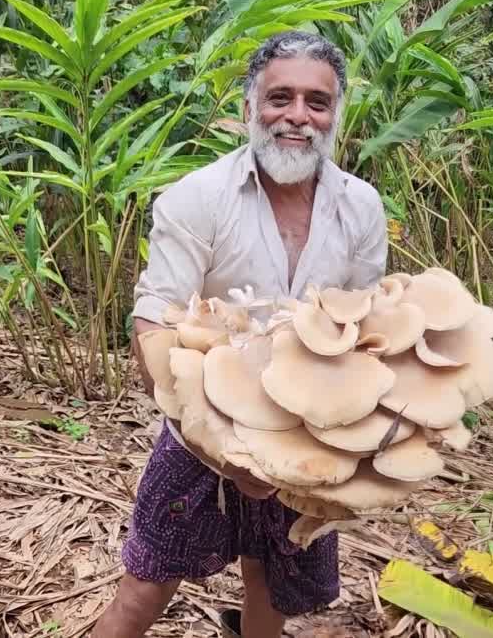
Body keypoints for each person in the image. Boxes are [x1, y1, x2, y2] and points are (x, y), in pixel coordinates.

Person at [90, 31, 389, 638]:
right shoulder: (198, 197)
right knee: (144, 587)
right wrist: (222, 449)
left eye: (317, 102)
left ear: (336, 114)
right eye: (280, 97)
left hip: (308, 444)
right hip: (203, 431)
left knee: (269, 589)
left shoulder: (362, 207)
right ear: (251, 106)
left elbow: (369, 328)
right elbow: (154, 320)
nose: (297, 116)